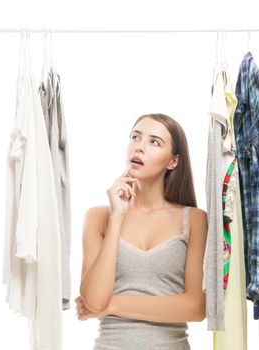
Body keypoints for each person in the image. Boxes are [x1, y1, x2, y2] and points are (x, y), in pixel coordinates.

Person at [76, 113, 208, 349]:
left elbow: (195, 307)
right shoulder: (99, 217)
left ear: (173, 162)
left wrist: (111, 305)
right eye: (135, 137)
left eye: (154, 142)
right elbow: (94, 299)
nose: (140, 147)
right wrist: (117, 216)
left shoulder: (194, 220)